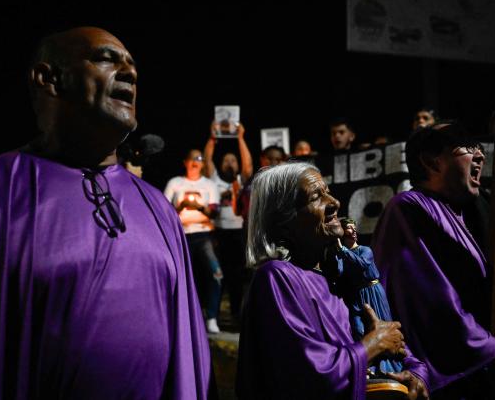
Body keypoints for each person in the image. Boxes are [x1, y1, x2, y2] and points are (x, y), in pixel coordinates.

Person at [0, 27, 212, 399]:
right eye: (107, 58)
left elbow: (187, 348)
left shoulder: (158, 208)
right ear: (49, 79)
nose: (130, 73)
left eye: (132, 65)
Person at [236, 162, 429, 400]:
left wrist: (416, 374)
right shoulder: (277, 277)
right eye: (316, 196)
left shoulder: (339, 274)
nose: (334, 203)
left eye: (327, 191)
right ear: (282, 220)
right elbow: (305, 375)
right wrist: (373, 345)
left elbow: (393, 341)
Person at [371, 123, 495, 399]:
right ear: (432, 161)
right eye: (467, 147)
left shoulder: (474, 210)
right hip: (466, 375)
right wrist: (492, 351)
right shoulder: (409, 207)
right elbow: (433, 302)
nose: (480, 155)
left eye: (478, 147)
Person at [329, 217, 403, 376]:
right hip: (356, 295)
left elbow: (362, 264)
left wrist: (342, 251)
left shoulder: (365, 250)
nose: (354, 230)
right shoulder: (343, 254)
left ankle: (387, 367)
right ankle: (367, 366)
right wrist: (336, 256)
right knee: (358, 328)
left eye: (354, 227)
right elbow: (340, 273)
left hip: (372, 292)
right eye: (349, 228)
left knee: (380, 324)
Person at [165, 148, 222, 333]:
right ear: (185, 162)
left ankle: (212, 316)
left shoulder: (209, 185)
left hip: (204, 233)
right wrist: (180, 206)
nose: (195, 161)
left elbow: (214, 212)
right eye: (191, 158)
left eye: (199, 158)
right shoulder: (175, 182)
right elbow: (164, 211)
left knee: (215, 273)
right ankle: (182, 317)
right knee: (181, 276)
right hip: (180, 234)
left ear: (203, 163)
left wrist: (199, 207)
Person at [203, 120, 253, 322]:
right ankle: (212, 314)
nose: (230, 163)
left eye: (233, 160)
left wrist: (240, 138)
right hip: (218, 232)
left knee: (237, 275)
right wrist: (213, 138)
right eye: (226, 160)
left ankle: (235, 314)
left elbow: (248, 165)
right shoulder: (214, 179)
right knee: (217, 273)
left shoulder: (241, 180)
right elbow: (207, 160)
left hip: (238, 232)